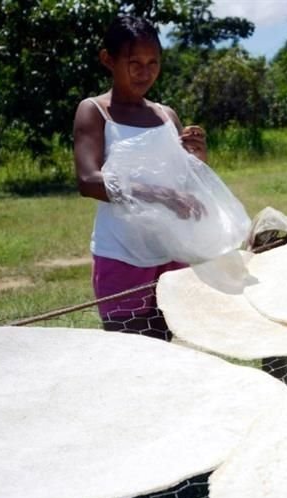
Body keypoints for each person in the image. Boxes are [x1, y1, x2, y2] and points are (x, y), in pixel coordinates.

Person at [73, 15, 208, 340]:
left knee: (164, 349)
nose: (145, 72)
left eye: (153, 63)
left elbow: (183, 182)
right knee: (130, 357)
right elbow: (89, 181)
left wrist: (198, 159)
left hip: (171, 253)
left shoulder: (166, 115)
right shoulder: (95, 111)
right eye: (134, 62)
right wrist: (160, 195)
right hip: (122, 255)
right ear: (108, 59)